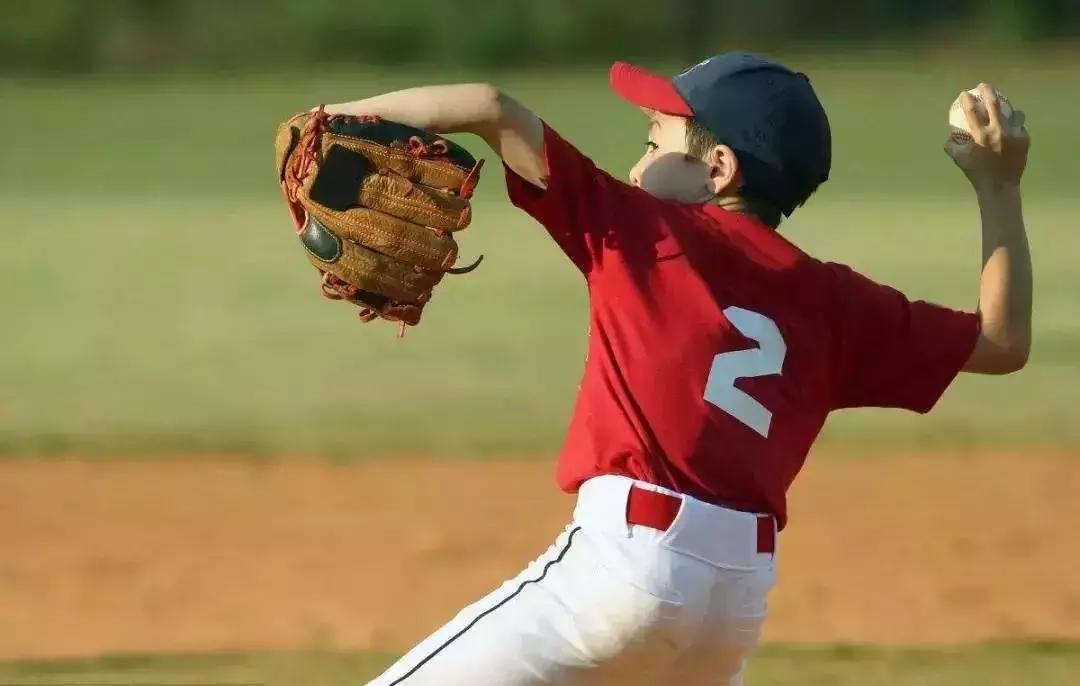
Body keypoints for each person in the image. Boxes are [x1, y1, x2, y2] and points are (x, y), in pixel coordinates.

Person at [324, 53, 1032, 685]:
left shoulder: (641, 228)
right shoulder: (836, 302)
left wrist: (327, 120)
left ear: (718, 169)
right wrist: (998, 184)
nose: (637, 168)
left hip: (622, 572)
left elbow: (490, 106)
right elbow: (1002, 343)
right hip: (733, 607)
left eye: (654, 143)